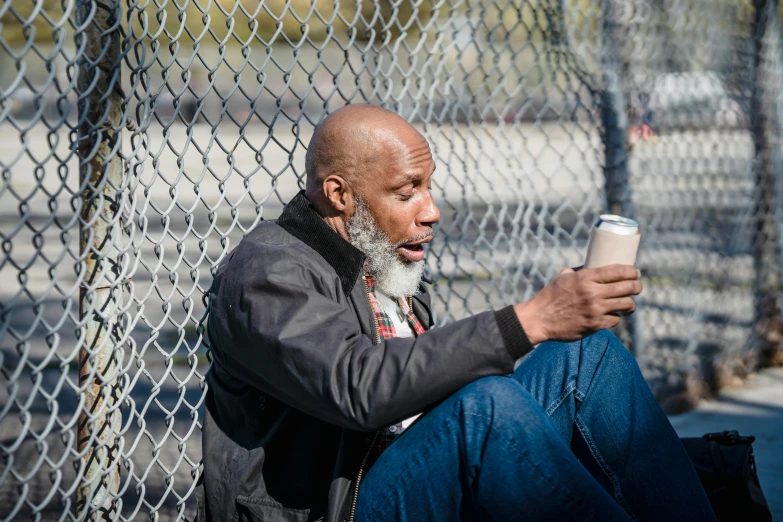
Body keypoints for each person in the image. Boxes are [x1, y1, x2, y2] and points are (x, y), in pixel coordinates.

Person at [198, 105, 716, 522]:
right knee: (484, 409)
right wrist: (530, 320)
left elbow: (420, 386)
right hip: (339, 508)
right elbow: (359, 386)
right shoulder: (266, 275)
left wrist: (564, 313)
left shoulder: (377, 255)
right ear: (339, 195)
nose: (431, 209)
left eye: (428, 186)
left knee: (585, 355)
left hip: (405, 466)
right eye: (407, 192)